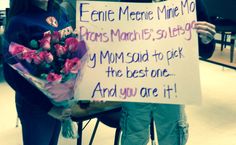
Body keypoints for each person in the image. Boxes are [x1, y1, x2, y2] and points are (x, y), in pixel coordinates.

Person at [119, 0, 216, 145]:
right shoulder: (131, 1)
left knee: (172, 138)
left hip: (171, 87)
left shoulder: (188, 3)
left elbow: (207, 51)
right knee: (134, 138)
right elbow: (115, 39)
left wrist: (206, 39)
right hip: (137, 85)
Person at [3, 0, 74, 145]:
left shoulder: (60, 12)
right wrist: (49, 108)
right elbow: (12, 75)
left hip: (60, 98)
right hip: (35, 104)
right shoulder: (18, 22)